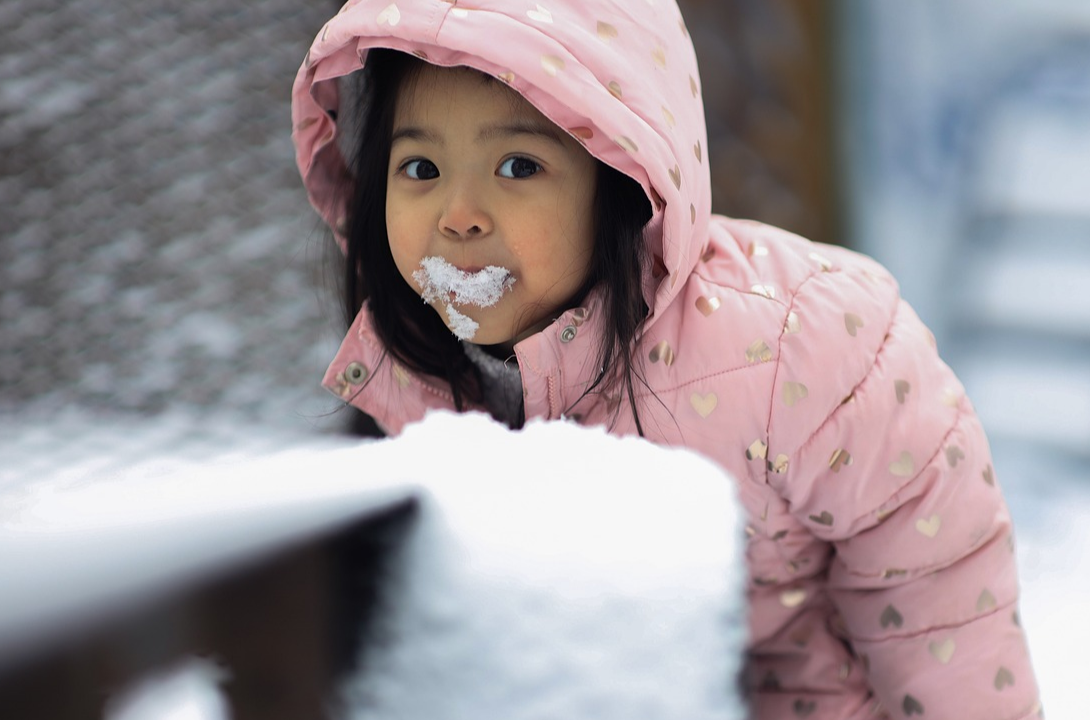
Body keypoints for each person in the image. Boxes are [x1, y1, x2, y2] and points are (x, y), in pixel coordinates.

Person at [292, 1, 1041, 717]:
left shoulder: (797, 348)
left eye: (517, 166)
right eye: (420, 169)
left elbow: (938, 601)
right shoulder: (414, 386)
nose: (459, 216)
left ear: (620, 181)